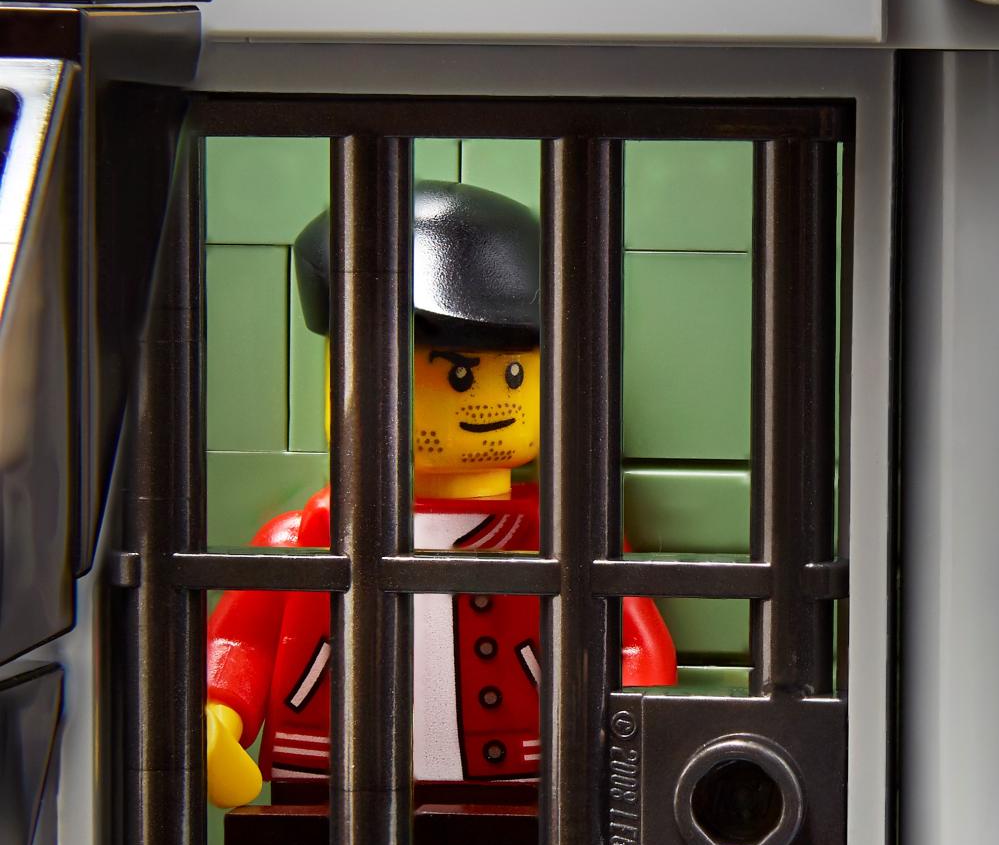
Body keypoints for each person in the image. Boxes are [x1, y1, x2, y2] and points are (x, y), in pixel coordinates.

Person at [204, 180, 675, 808]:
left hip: (517, 782)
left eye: (515, 373)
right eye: (455, 373)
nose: (490, 403)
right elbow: (242, 642)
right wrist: (218, 717)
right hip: (334, 784)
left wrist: (628, 730)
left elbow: (633, 645)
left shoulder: (564, 537)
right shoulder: (307, 540)